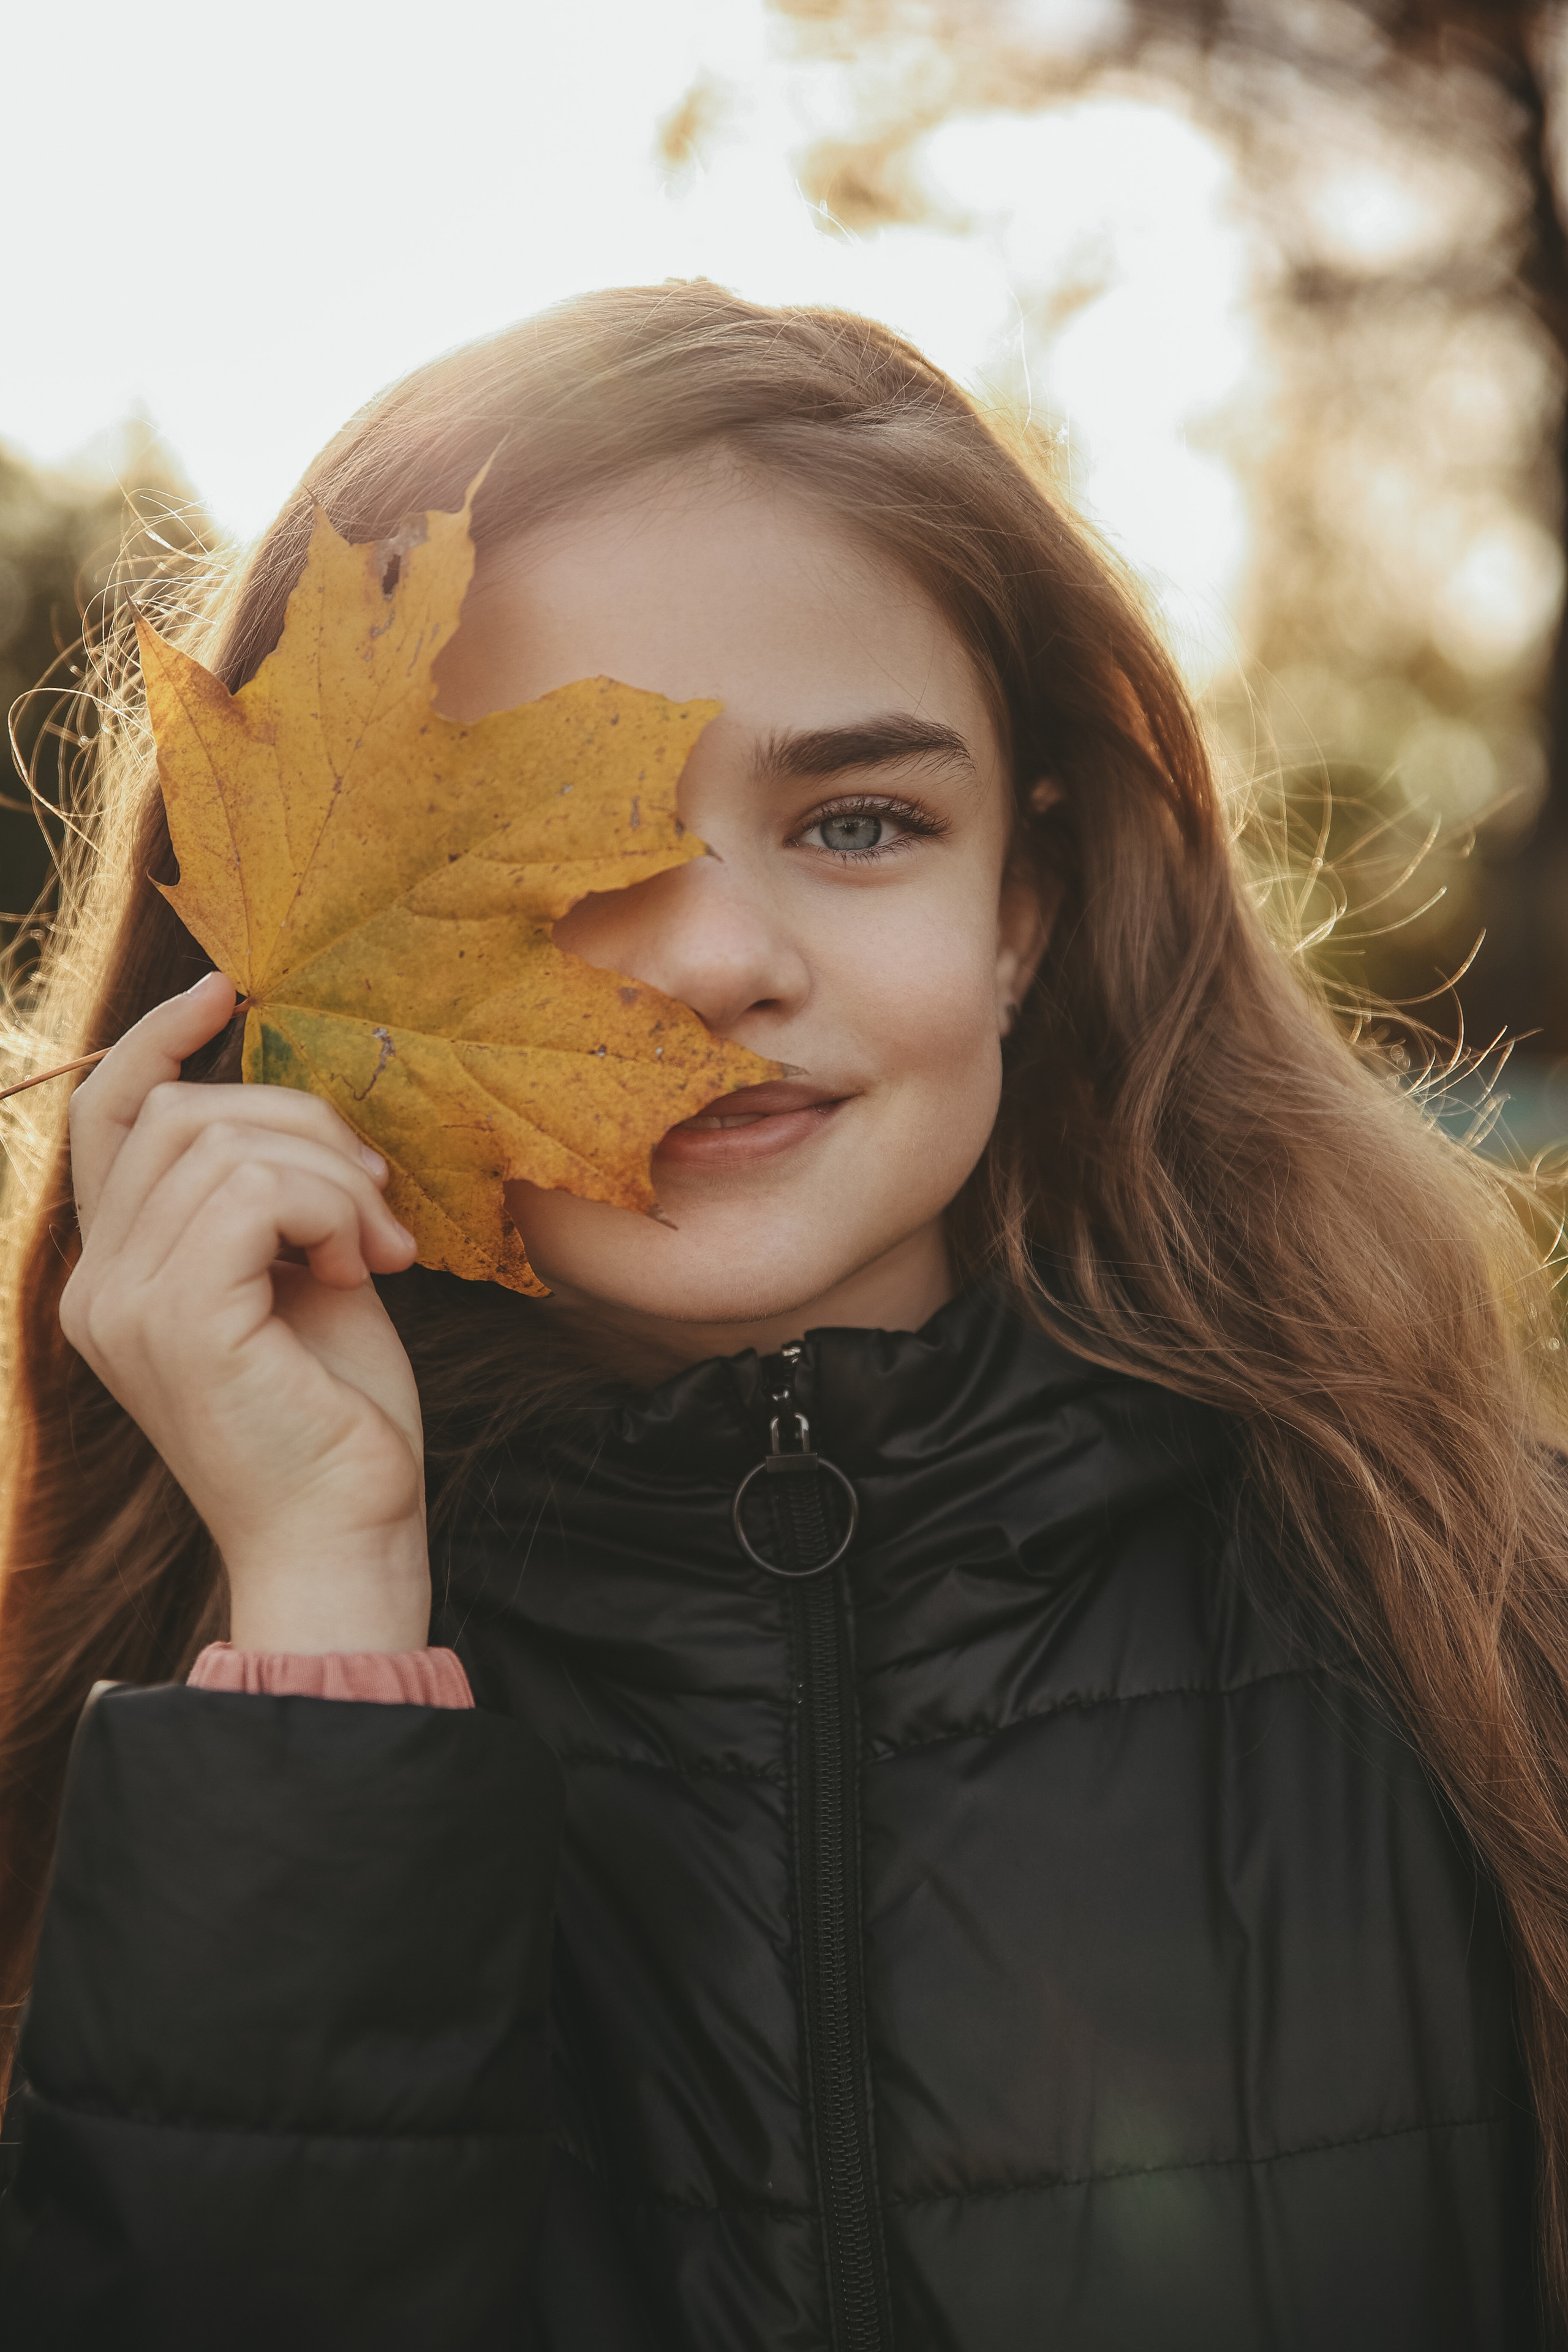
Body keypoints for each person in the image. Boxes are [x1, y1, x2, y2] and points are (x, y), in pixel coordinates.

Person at [0, 284, 1558, 2351]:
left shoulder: (1486, 1620)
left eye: (858, 824)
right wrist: (316, 1631)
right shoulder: (136, 1722)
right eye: (555, 863)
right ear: (294, 959)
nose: (723, 954)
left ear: (1024, 910)